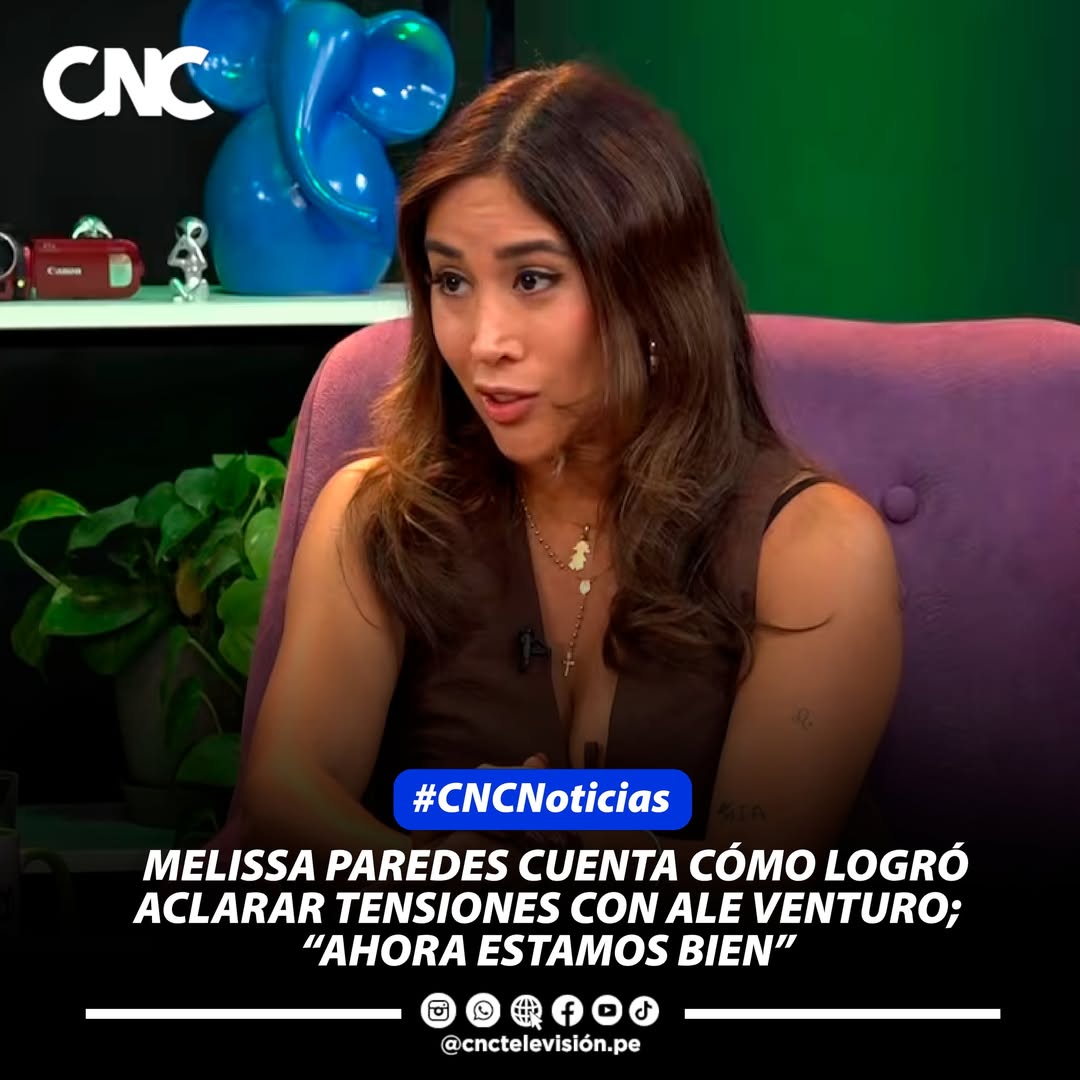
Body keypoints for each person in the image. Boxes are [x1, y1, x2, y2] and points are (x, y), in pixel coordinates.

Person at [237, 60, 903, 871]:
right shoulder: (377, 514)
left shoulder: (817, 548)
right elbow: (282, 798)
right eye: (451, 281)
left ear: (652, 287)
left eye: (533, 279)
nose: (484, 342)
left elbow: (759, 884)